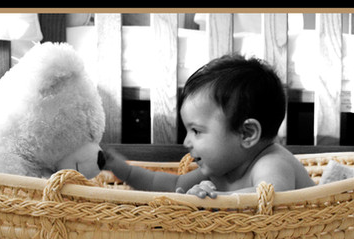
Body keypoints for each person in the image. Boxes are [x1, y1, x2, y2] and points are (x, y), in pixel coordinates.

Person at [102, 54, 315, 198]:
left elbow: (269, 197)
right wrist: (126, 172)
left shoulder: (272, 162)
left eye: (196, 131)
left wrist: (215, 200)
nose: (186, 142)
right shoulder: (221, 168)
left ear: (247, 133)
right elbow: (171, 185)